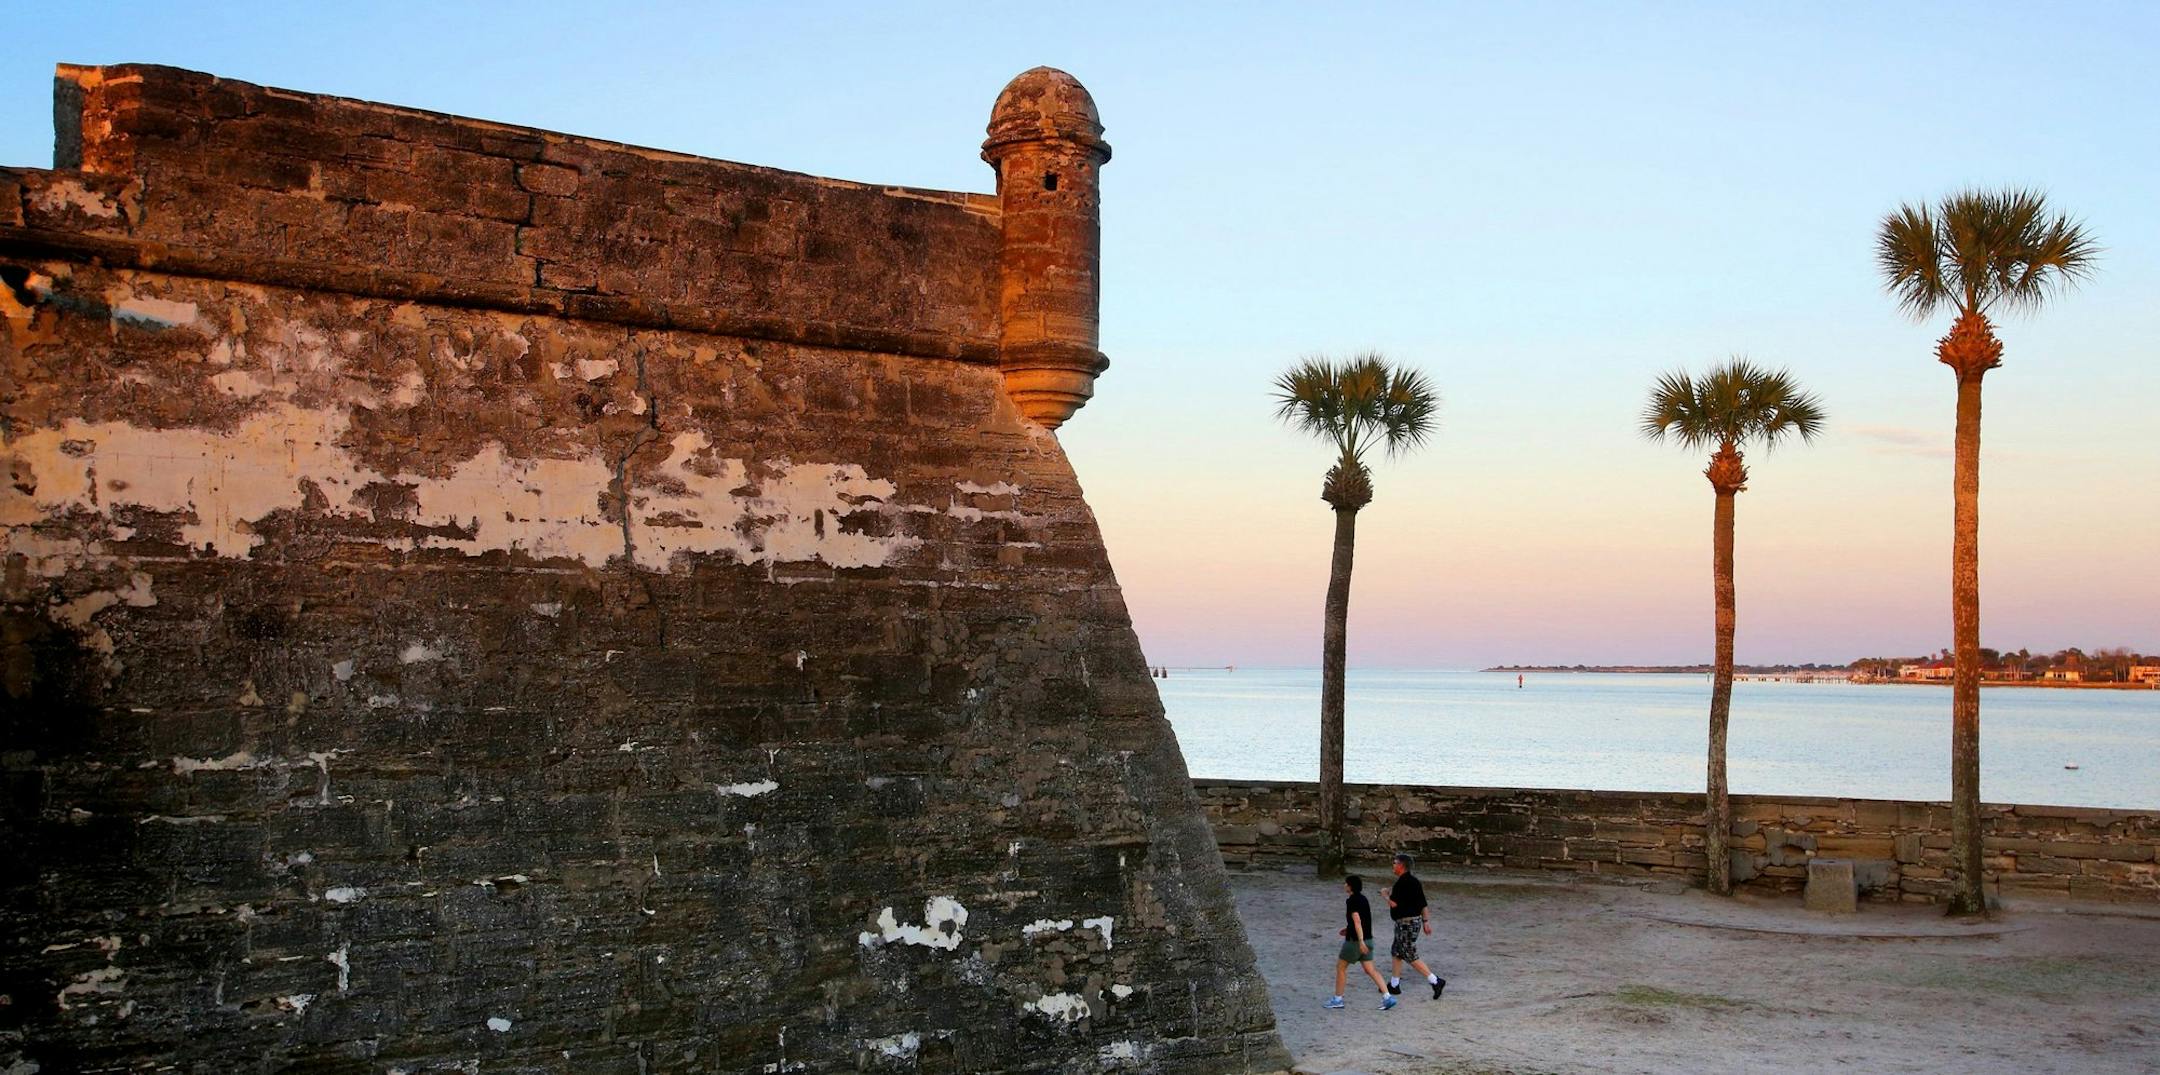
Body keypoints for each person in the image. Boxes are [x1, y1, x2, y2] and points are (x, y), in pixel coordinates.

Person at [1326, 874, 1396, 1011]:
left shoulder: (1351, 901)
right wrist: (1349, 929)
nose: (1344, 885)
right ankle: (1387, 996)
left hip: (1355, 942)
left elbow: (1357, 921)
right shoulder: (1364, 899)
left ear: (1350, 886)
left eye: (1346, 883)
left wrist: (1360, 941)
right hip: (1368, 939)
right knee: (1371, 970)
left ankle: (1338, 999)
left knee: (1341, 968)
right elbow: (1363, 920)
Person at [1384, 853, 1446, 1000]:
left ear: (1401, 865)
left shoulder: (1401, 884)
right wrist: (1425, 921)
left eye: (1394, 863)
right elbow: (1423, 903)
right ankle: (1394, 984)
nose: (1392, 865)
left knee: (1408, 953)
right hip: (1413, 921)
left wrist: (1385, 895)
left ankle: (1435, 981)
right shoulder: (1414, 882)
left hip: (1406, 923)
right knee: (1397, 951)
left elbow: (1394, 904)